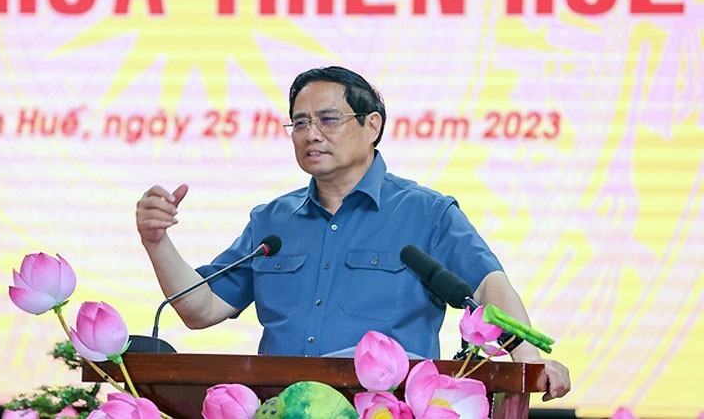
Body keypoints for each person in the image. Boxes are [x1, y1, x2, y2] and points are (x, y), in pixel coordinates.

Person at [136, 66, 571, 401]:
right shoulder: (272, 220)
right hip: (281, 405)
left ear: (373, 126)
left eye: (328, 119)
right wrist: (158, 242)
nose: (311, 134)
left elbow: (489, 287)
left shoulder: (426, 212)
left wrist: (528, 359)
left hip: (388, 406)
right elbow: (201, 308)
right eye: (300, 123)